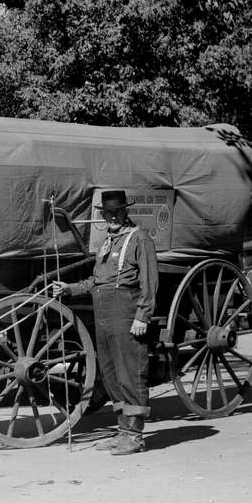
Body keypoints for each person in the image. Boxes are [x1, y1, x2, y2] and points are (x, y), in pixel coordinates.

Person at [51, 190, 158, 455]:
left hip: (126, 313)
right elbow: (96, 281)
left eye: (116, 213)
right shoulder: (107, 243)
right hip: (104, 314)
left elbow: (149, 282)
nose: (111, 217)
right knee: (110, 374)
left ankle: (135, 436)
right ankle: (123, 431)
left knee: (130, 372)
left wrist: (142, 316)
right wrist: (70, 288)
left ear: (125, 212)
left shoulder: (139, 239)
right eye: (106, 214)